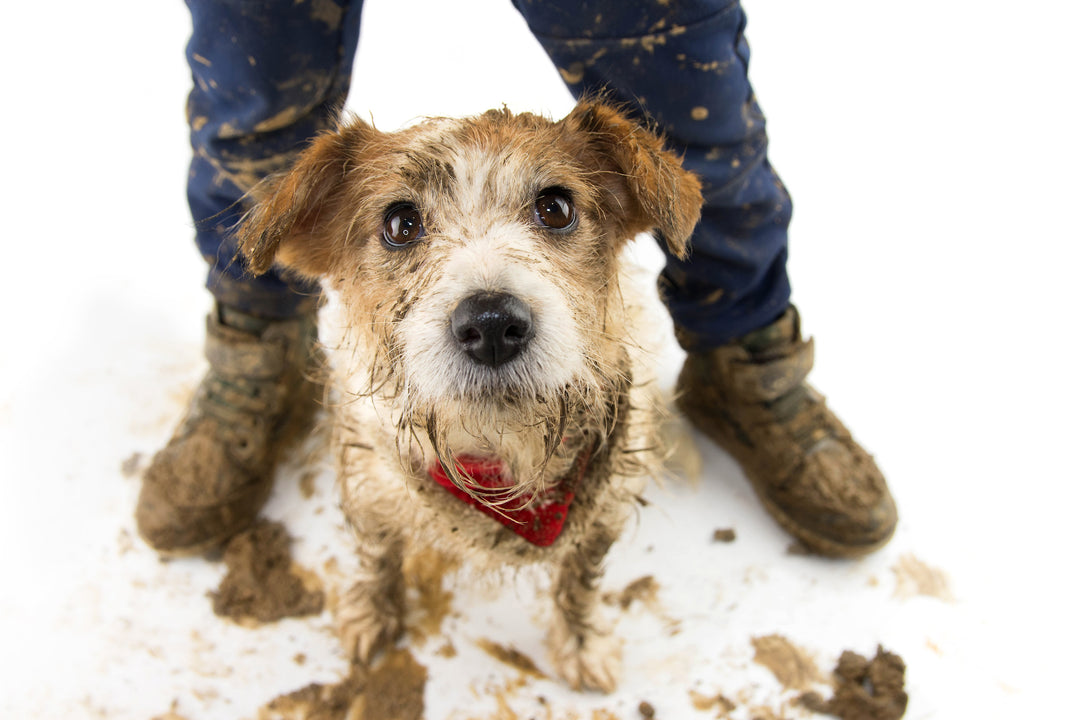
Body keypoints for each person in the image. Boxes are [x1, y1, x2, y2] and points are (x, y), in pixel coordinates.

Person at [136, 0, 897, 559]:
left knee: (701, 123)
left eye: (555, 208)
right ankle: (255, 354)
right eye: (403, 225)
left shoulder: (630, 188)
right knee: (250, 114)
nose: (489, 304)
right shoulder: (314, 222)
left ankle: (749, 360)